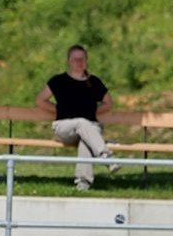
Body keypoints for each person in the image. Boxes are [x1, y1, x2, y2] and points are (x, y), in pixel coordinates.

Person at [34, 44, 117, 191]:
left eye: (82, 59)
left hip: (90, 129)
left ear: (86, 61)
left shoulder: (94, 82)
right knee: (81, 122)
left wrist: (93, 111)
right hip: (65, 127)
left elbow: (109, 103)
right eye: (75, 59)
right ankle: (106, 156)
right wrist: (58, 110)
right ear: (69, 61)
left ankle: (83, 183)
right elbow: (40, 100)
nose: (79, 62)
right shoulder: (58, 81)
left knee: (86, 139)